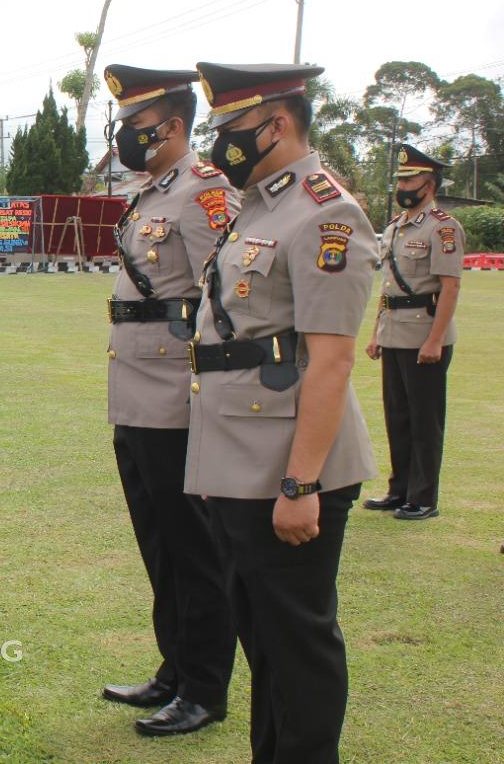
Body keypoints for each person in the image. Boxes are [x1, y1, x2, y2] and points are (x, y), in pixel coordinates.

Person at [186, 62, 379, 764]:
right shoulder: (260, 204)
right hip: (242, 461)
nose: (221, 146)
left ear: (277, 123)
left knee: (297, 640)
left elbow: (330, 360)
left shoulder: (326, 210)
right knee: (262, 636)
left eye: (232, 129)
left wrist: (301, 485)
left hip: (292, 469)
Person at [100, 65, 238, 736]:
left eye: (135, 124)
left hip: (180, 393)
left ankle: (205, 686)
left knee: (194, 546)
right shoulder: (149, 191)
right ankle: (174, 667)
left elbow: (229, 295)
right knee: (157, 541)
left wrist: (211, 388)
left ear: (172, 125)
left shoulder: (204, 190)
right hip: (133, 388)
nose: (125, 135)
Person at [363, 144, 463, 520]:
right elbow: (389, 288)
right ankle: (399, 489)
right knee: (398, 417)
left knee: (425, 420)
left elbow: (450, 288)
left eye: (409, 179)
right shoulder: (395, 227)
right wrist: (376, 333)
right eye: (400, 179)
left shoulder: (443, 227)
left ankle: (423, 497)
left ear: (430, 183)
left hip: (425, 334)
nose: (402, 185)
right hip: (393, 333)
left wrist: (435, 339)